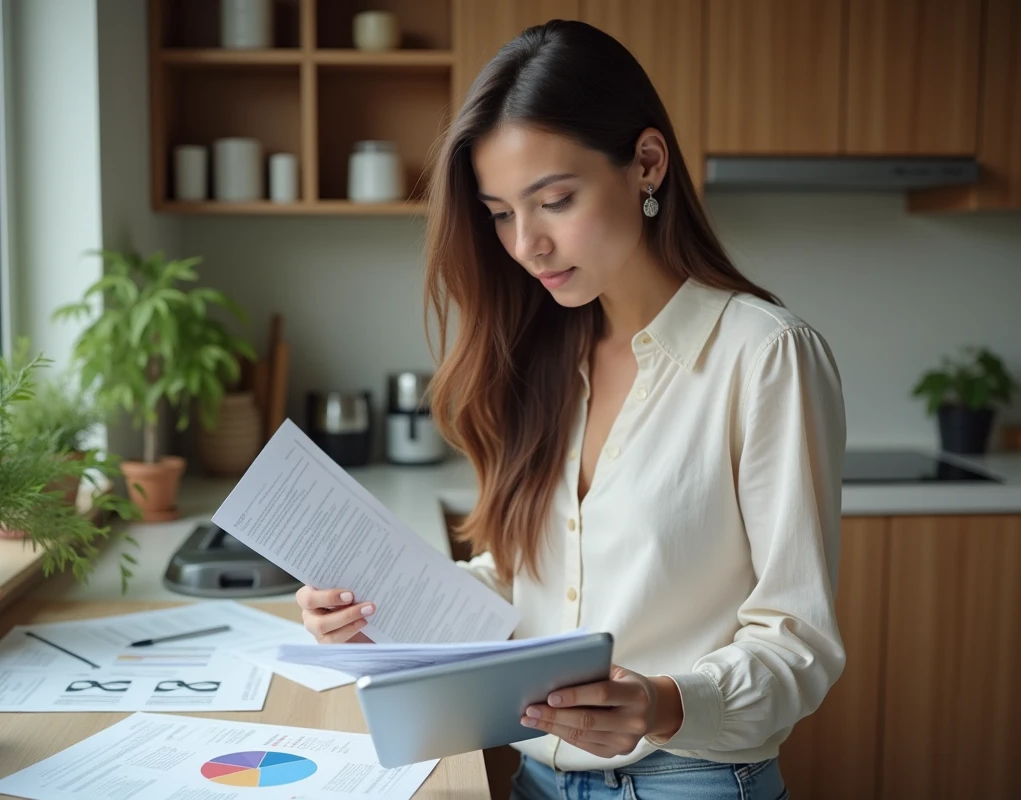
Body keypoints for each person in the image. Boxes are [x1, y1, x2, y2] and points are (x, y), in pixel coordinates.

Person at [296, 19, 846, 800]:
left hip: (690, 780)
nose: (527, 245)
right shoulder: (542, 355)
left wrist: (662, 704)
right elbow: (529, 583)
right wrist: (372, 615)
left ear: (646, 163)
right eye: (500, 212)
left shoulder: (764, 356)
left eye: (554, 201)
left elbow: (800, 642)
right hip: (537, 775)